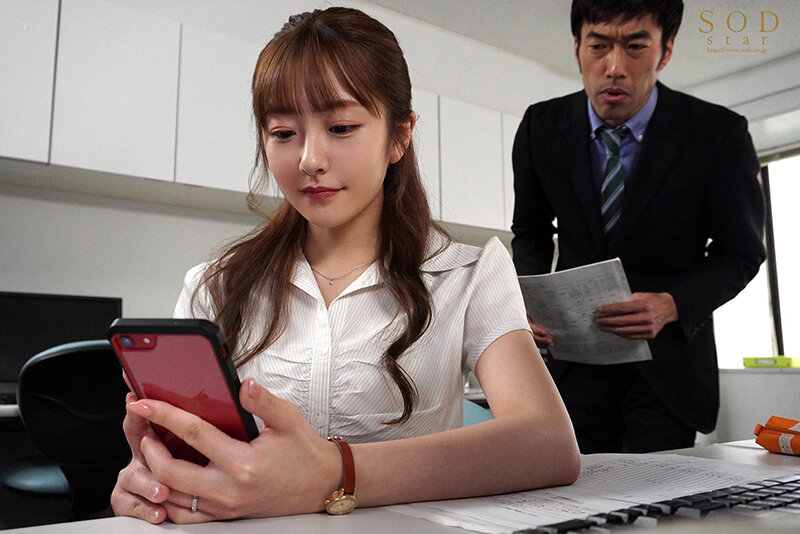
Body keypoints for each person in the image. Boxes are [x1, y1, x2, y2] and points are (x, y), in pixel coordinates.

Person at [111, 7, 579, 524]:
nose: (309, 159)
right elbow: (182, 458)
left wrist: (333, 472)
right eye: (283, 133)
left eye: (340, 127)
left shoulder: (467, 274)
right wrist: (153, 483)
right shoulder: (214, 285)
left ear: (400, 135)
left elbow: (548, 445)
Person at [511, 0, 765, 454]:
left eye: (635, 47)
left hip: (667, 372)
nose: (614, 68)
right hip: (573, 369)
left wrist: (673, 304)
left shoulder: (717, 133)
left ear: (665, 52)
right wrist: (525, 303)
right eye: (598, 47)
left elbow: (741, 253)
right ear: (577, 48)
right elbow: (530, 232)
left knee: (658, 497)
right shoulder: (540, 127)